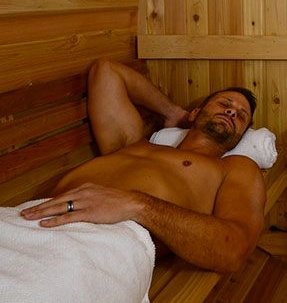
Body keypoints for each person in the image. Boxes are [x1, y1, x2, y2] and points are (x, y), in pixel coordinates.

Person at [19, 58, 266, 274]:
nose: (232, 112)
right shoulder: (133, 143)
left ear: (241, 137)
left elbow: (234, 250)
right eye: (225, 104)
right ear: (195, 113)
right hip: (31, 219)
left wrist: (136, 205)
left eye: (241, 116)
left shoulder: (234, 168)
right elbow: (106, 70)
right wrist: (173, 112)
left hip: (98, 247)